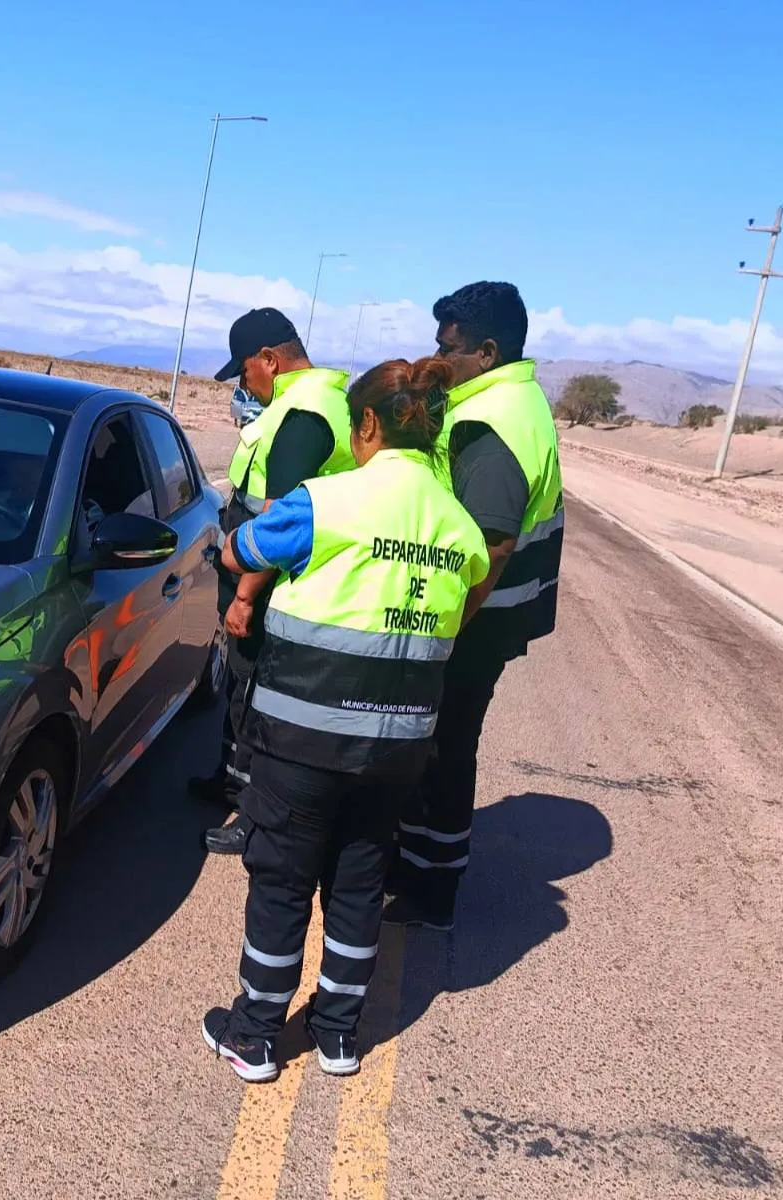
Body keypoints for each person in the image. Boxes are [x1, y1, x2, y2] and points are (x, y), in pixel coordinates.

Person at [201, 357, 490, 1082]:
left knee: (281, 879)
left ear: (366, 425)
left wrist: (246, 539)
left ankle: (255, 1035)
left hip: (304, 738)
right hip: (396, 747)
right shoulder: (458, 525)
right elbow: (472, 586)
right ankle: (336, 1035)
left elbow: (242, 550)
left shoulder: (326, 502)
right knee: (359, 883)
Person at [385, 281, 565, 931]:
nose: (438, 357)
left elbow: (493, 542)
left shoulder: (491, 423)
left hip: (476, 622)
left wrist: (446, 630)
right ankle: (414, 862)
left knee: (444, 748)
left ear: (487, 352)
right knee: (439, 743)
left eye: (448, 348)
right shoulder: (509, 400)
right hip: (490, 616)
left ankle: (433, 888)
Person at [188, 307, 356, 856]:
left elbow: (278, 525)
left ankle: (255, 814)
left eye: (244, 371)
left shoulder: (303, 416)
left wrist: (243, 595)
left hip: (273, 587)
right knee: (242, 684)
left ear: (270, 359)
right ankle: (231, 780)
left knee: (262, 697)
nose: (243, 383)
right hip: (264, 580)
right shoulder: (309, 402)